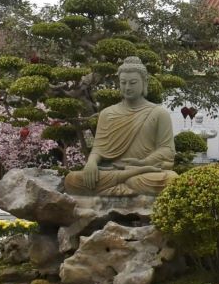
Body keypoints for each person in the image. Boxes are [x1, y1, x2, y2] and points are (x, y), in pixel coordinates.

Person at [64, 57, 179, 196]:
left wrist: (144, 163)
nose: (127, 87)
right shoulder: (107, 113)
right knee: (71, 180)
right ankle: (127, 185)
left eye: (133, 83)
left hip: (144, 172)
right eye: (123, 83)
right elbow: (98, 149)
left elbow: (167, 150)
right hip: (113, 171)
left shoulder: (159, 113)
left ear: (144, 83)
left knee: (171, 179)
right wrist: (91, 163)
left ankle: (121, 186)